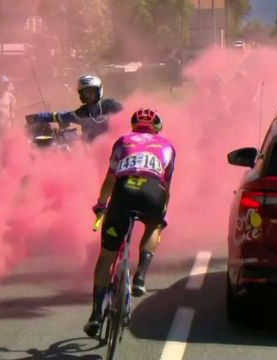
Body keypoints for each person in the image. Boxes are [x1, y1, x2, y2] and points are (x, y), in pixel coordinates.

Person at [84, 108, 176, 338]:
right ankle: (141, 276)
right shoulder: (167, 146)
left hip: (124, 190)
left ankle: (96, 315)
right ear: (157, 128)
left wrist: (101, 205)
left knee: (106, 256)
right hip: (154, 192)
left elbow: (110, 178)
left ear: (134, 126)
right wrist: (161, 214)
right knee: (154, 225)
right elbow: (167, 185)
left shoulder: (124, 141)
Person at [25, 75, 123, 143]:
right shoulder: (82, 112)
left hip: (114, 150)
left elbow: (129, 119)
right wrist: (38, 117)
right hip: (90, 153)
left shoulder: (110, 105)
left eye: (91, 91)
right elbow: (59, 116)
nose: (89, 95)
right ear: (81, 95)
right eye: (85, 93)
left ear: (99, 91)